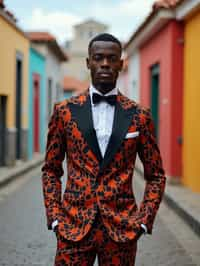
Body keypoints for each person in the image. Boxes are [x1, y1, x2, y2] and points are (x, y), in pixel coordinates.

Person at [41, 33, 166, 266]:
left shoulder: (140, 115)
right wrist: (55, 217)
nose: (105, 64)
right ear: (89, 62)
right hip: (73, 228)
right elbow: (50, 169)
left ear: (120, 63)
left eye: (111, 58)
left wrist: (143, 220)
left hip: (122, 230)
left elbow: (156, 175)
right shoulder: (64, 111)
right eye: (98, 58)